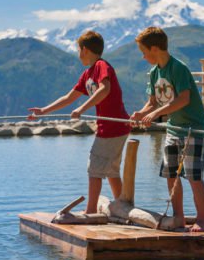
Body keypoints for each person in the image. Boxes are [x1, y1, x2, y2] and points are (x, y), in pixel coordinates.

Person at [28, 30, 131, 214]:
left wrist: (82, 109)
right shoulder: (87, 74)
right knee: (111, 169)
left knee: (95, 168)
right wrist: (43, 111)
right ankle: (122, 206)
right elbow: (69, 98)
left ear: (84, 49)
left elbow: (105, 89)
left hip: (113, 126)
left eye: (78, 49)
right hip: (114, 127)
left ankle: (90, 212)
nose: (78, 53)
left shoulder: (101, 66)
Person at [131, 27, 204, 232]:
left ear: (155, 48)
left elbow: (183, 99)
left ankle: (202, 220)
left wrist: (156, 114)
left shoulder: (178, 68)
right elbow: (152, 102)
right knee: (171, 174)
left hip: (193, 129)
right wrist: (141, 114)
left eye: (144, 51)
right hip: (173, 129)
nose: (143, 56)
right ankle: (179, 217)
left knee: (194, 176)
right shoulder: (154, 72)